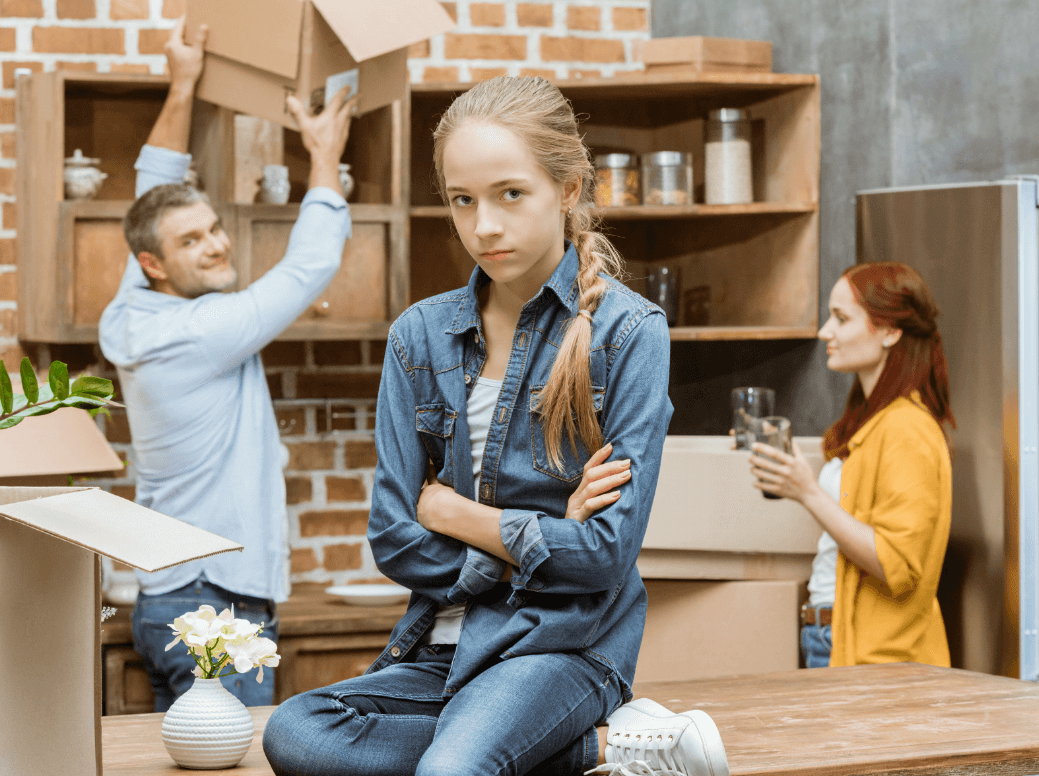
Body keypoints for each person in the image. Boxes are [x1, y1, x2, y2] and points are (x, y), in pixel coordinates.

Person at [262, 76, 729, 776]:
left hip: (562, 645)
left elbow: (603, 554)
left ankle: (534, 734)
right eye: (462, 199)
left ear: (568, 188)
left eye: (511, 193)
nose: (483, 225)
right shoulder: (419, 336)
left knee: (451, 771)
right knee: (296, 732)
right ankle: (606, 747)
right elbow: (394, 536)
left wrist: (456, 513)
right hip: (438, 649)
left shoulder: (630, 332)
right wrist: (533, 540)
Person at [98, 17, 357, 710]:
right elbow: (310, 265)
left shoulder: (133, 307)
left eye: (213, 227)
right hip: (219, 605)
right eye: (194, 240)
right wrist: (324, 154)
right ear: (156, 263)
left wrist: (183, 83)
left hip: (164, 602)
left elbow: (152, 188)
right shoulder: (201, 329)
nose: (216, 244)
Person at [749, 261, 953, 669]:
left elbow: (895, 562)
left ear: (891, 331)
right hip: (832, 639)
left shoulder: (906, 429)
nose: (825, 331)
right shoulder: (872, 424)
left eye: (841, 319)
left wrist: (807, 492)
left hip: (872, 657)